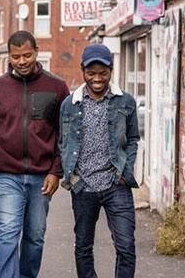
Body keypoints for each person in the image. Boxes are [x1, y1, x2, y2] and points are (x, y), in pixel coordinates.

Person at [0, 31, 69, 278]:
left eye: (27, 55)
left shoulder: (57, 87)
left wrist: (56, 171)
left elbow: (65, 135)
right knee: (7, 232)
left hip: (42, 177)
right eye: (16, 56)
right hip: (5, 174)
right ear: (8, 57)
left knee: (35, 237)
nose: (22, 61)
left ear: (37, 51)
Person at [59, 43, 139, 278]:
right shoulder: (69, 104)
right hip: (83, 186)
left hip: (116, 184)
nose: (97, 78)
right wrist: (72, 178)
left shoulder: (125, 101)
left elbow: (133, 138)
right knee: (83, 246)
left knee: (126, 246)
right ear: (83, 71)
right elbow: (62, 141)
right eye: (91, 73)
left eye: (102, 73)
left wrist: (126, 170)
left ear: (111, 71)